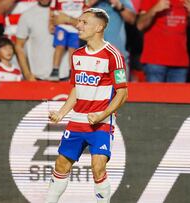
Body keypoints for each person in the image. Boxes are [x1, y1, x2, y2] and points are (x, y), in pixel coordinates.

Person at [46, 8, 128, 203]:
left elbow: (123, 94)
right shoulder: (77, 55)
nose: (77, 25)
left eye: (84, 22)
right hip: (77, 121)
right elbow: (76, 89)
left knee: (98, 166)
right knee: (61, 165)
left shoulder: (113, 55)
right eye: (79, 21)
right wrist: (62, 112)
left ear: (99, 27)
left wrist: (102, 115)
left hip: (101, 123)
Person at [137, 0, 190, 82]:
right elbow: (140, 25)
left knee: (178, 95)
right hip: (155, 62)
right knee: (154, 95)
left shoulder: (186, 1)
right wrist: (155, 9)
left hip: (180, 63)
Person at [15, 0, 70, 81]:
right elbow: (19, 46)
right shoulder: (27, 15)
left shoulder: (67, 12)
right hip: (39, 78)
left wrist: (69, 20)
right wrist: (27, 74)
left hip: (63, 77)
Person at [48, 0, 86, 80]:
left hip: (75, 28)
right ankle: (55, 70)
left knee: (73, 49)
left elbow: (86, 11)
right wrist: (50, 23)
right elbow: (52, 9)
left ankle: (72, 71)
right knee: (59, 46)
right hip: (62, 26)